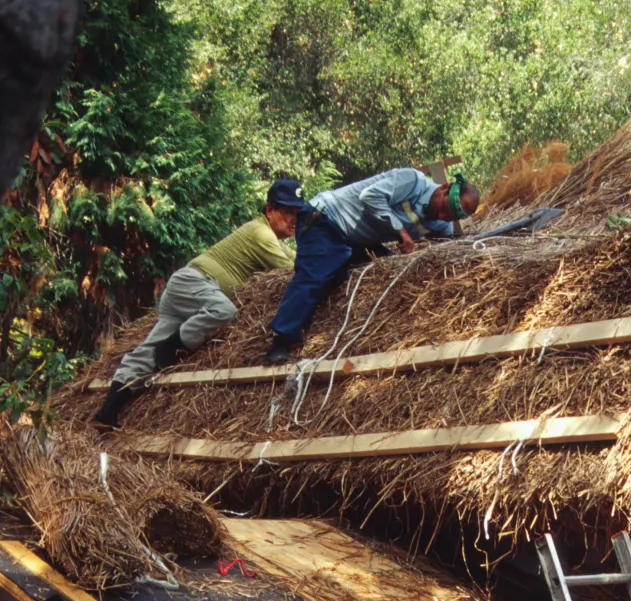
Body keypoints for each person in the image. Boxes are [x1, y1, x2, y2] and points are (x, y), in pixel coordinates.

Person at [92, 179, 308, 428]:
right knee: (225, 311)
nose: (295, 219)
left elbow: (297, 258)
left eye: (298, 213)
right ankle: (172, 348)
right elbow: (293, 270)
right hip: (194, 284)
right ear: (270, 210)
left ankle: (107, 412)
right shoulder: (261, 233)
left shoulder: (272, 240)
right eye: (288, 212)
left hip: (188, 292)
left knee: (146, 351)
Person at [265, 167, 480, 365]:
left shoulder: (441, 224)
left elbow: (444, 252)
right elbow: (369, 196)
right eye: (444, 209)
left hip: (356, 238)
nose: (442, 218)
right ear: (444, 188)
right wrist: (401, 232)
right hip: (326, 218)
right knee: (318, 272)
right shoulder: (413, 181)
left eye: (450, 217)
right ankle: (281, 339)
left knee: (384, 270)